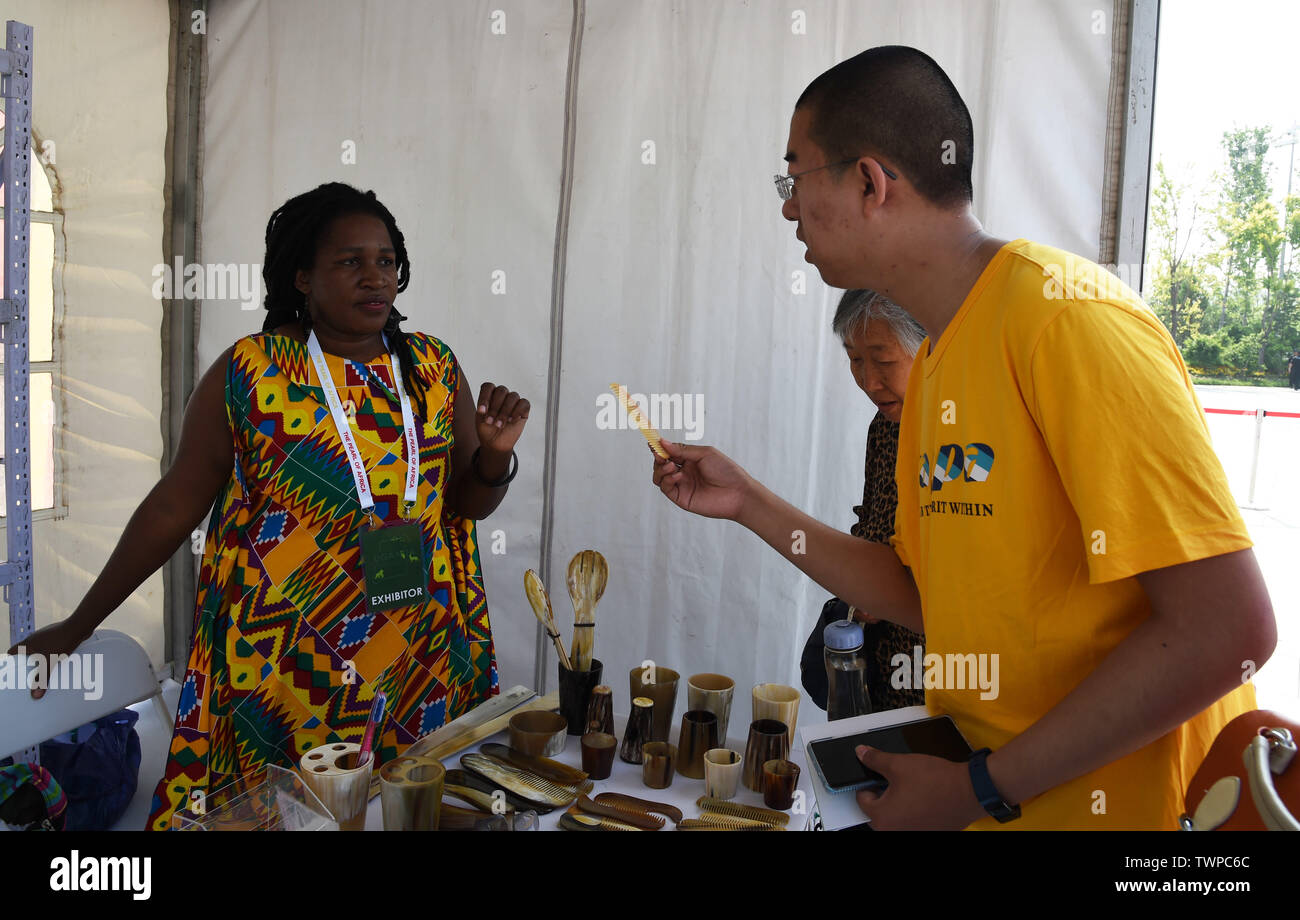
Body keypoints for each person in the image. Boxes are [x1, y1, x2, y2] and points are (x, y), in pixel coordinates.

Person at [652, 46, 1274, 830]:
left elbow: (1228, 632)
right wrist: (748, 503)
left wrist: (983, 786)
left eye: (795, 179)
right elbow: (921, 595)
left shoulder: (1067, 321)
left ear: (870, 182)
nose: (787, 210)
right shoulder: (941, 360)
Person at [9, 183, 530, 830]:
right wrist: (77, 626)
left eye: (387, 260)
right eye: (350, 262)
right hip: (288, 663)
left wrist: (496, 456)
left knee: (406, 812)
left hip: (414, 653)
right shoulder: (253, 372)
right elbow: (174, 507)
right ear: (303, 276)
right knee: (284, 816)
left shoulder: (430, 367)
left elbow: (468, 505)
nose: (376, 276)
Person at [799, 289, 925, 713]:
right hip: (875, 659)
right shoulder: (886, 425)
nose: (869, 382)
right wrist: (858, 596)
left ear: (930, 346)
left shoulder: (963, 430)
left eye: (883, 360)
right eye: (855, 360)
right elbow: (873, 522)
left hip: (941, 666)